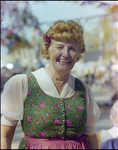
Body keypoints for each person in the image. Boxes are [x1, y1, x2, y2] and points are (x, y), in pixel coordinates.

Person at [1, 20, 100, 149]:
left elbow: (91, 138)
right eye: (59, 47)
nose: (65, 54)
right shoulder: (23, 84)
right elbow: (4, 136)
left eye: (72, 49)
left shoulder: (83, 90)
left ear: (78, 54)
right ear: (48, 49)